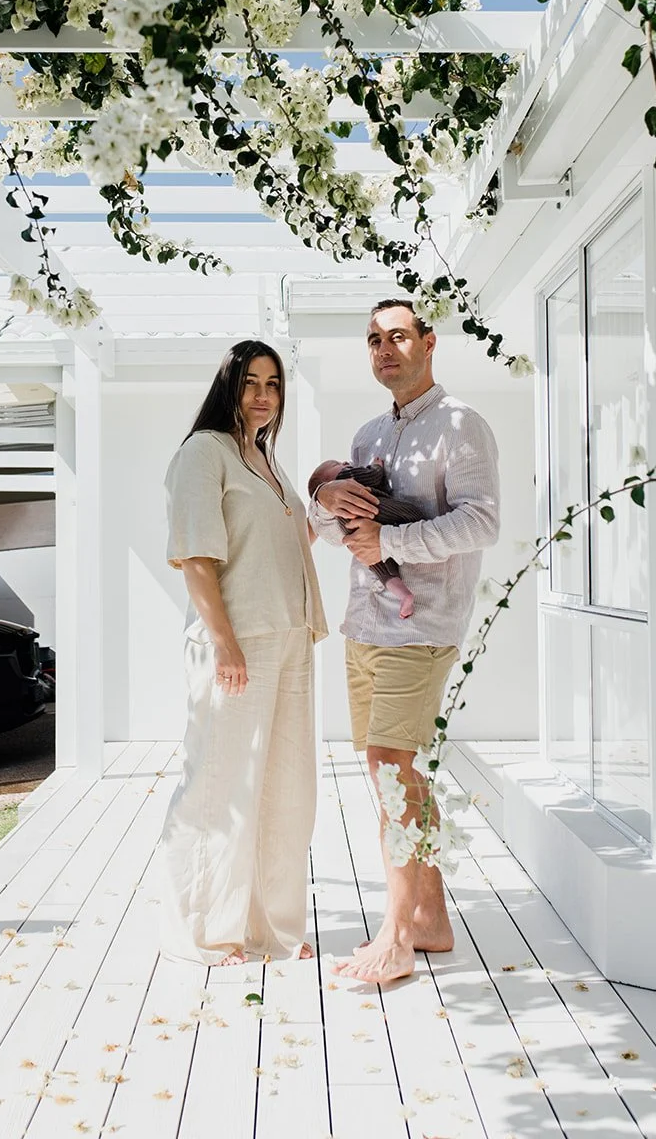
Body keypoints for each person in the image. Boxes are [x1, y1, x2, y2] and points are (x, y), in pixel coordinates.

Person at [309, 300, 499, 984]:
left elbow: (480, 522)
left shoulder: (460, 425)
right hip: (362, 625)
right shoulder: (365, 435)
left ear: (427, 343)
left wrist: (388, 540)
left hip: (420, 628)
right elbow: (335, 528)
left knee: (392, 767)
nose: (383, 349)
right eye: (372, 340)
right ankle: (429, 919)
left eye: (396, 337)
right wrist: (326, 506)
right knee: (391, 771)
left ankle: (392, 937)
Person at [159, 339, 328, 966]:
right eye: (251, 383)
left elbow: (283, 539)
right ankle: (208, 931)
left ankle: (269, 928)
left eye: (273, 384)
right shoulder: (204, 455)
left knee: (286, 790)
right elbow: (196, 555)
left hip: (290, 637)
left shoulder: (267, 460)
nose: (263, 395)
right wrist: (225, 644)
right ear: (229, 388)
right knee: (221, 786)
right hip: (237, 644)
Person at [307, 458, 423, 618]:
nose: (345, 462)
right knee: (412, 514)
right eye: (336, 465)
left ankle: (404, 595)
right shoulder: (345, 478)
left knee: (380, 567)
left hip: (357, 535)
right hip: (373, 511)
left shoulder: (334, 516)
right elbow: (372, 476)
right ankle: (419, 526)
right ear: (328, 481)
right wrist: (376, 466)